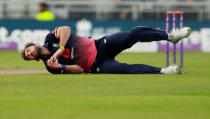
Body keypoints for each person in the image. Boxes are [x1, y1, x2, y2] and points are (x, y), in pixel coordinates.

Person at [21, 26, 191, 74]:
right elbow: (80, 69)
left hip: (100, 45)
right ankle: (164, 71)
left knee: (133, 34)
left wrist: (60, 49)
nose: (29, 53)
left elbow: (65, 29)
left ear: (35, 45)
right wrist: (61, 67)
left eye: (28, 50)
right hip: (97, 65)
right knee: (125, 69)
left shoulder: (49, 39)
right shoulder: (51, 66)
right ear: (34, 59)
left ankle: (170, 36)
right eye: (28, 56)